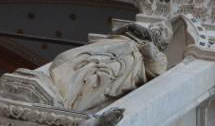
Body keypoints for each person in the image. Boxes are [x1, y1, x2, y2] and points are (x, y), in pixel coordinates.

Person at [44, 20, 174, 111]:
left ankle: (68, 101)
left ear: (163, 42)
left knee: (98, 79)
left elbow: (156, 70)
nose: (158, 28)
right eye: (157, 26)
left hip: (125, 65)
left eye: (162, 31)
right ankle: (56, 87)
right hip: (105, 49)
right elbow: (110, 36)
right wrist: (128, 28)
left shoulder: (159, 54)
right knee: (68, 59)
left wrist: (148, 46)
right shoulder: (130, 34)